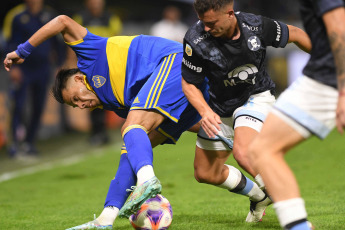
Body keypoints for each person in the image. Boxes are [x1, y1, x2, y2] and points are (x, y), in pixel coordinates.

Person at [3, 14, 265, 229]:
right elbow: (157, 127)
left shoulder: (89, 53)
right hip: (188, 90)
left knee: (131, 128)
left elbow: (61, 21)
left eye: (76, 98)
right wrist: (214, 127)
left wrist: (23, 50)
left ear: (81, 79)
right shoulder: (117, 104)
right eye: (75, 106)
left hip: (175, 63)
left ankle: (147, 181)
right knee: (195, 169)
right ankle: (260, 195)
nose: (81, 105)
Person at [181, 0, 312, 223]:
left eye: (211, 23)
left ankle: (295, 218)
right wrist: (204, 111)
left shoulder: (256, 26)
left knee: (244, 152)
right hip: (219, 107)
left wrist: (330, 64)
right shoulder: (195, 38)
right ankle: (259, 196)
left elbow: (297, 34)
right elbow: (189, 82)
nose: (206, 28)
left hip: (255, 97)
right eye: (203, 22)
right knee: (205, 173)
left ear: (230, 14)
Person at [247, 0, 345, 229]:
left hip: (328, 79)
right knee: (262, 150)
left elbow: (339, 27)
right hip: (322, 75)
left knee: (263, 149)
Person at [2, 0, 65, 157]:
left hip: (43, 69)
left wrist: (59, 64)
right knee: (19, 105)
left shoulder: (50, 15)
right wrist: (14, 67)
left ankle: (29, 142)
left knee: (39, 106)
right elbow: (9, 42)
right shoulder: (16, 16)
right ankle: (14, 144)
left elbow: (58, 42)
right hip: (23, 69)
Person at [72, 0, 123, 146]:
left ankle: (102, 132)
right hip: (88, 65)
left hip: (107, 65)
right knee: (90, 98)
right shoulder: (81, 18)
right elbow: (73, 39)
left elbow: (117, 39)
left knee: (106, 97)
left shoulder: (110, 18)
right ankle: (96, 132)